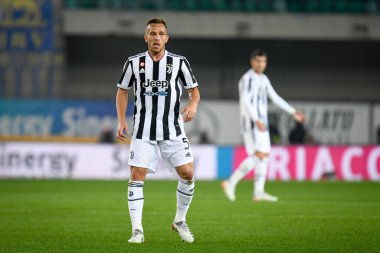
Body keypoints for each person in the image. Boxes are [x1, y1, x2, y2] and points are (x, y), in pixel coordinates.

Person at [115, 17, 200, 243]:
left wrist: (192, 104)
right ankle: (137, 231)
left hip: (172, 129)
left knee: (188, 174)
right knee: (136, 175)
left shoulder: (179, 63)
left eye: (161, 34)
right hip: (143, 130)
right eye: (152, 33)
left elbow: (194, 91)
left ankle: (180, 220)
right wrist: (121, 120)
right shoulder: (133, 63)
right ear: (146, 37)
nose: (157, 37)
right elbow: (122, 91)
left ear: (167, 38)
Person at [222, 50, 305, 202]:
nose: (261, 64)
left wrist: (293, 112)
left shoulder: (263, 79)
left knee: (264, 156)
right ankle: (230, 182)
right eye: (258, 61)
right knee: (259, 155)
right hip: (252, 122)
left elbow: (275, 97)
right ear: (252, 61)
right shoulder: (247, 79)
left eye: (264, 61)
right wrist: (256, 119)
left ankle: (258, 192)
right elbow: (246, 101)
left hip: (261, 122)